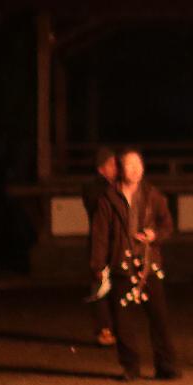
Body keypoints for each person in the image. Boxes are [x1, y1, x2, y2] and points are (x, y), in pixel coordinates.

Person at [88, 148, 181, 381]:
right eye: (129, 165)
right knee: (122, 321)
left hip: (149, 264)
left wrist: (154, 235)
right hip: (121, 263)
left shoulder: (152, 195)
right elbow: (99, 234)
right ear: (120, 169)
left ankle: (166, 365)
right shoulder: (108, 198)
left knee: (159, 317)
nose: (136, 169)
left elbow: (167, 225)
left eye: (138, 164)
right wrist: (98, 265)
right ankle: (131, 367)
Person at [80, 149, 119, 347]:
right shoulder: (93, 187)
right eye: (112, 164)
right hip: (100, 242)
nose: (117, 168)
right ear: (101, 167)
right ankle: (103, 328)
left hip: (117, 242)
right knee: (100, 283)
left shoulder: (115, 186)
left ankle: (115, 326)